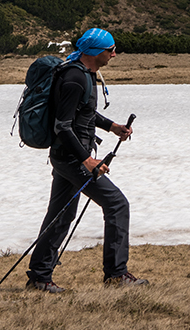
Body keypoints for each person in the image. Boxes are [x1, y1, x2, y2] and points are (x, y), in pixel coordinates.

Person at [25, 28, 148, 292]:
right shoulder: (75, 78)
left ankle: (39, 278)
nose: (114, 54)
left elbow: (84, 112)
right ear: (95, 51)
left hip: (66, 156)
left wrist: (111, 126)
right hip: (73, 158)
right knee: (117, 204)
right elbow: (62, 125)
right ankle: (116, 275)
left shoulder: (84, 74)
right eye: (110, 49)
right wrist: (87, 161)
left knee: (61, 214)